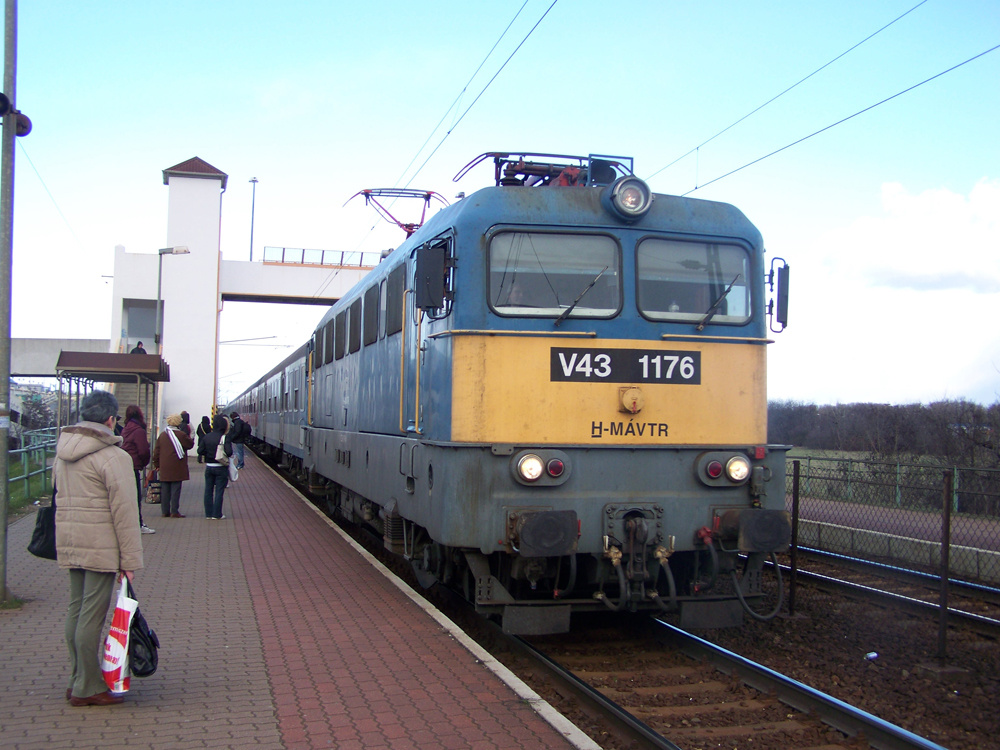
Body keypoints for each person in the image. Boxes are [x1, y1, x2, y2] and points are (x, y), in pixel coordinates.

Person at [54, 389, 143, 707]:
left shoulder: (63, 453)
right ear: (110, 420)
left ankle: (77, 677)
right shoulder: (114, 457)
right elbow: (125, 513)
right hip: (101, 547)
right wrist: (130, 560)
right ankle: (88, 687)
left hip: (70, 542)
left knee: (76, 611)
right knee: (91, 616)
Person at [120, 404, 154, 534]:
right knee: (136, 497)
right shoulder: (139, 431)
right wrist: (143, 463)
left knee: (128, 497)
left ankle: (129, 523)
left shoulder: (126, 429)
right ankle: (138, 524)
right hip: (134, 465)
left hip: (125, 464)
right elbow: (143, 450)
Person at [152, 414, 195, 518]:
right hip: (177, 466)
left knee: (165, 489)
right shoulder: (181, 435)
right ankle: (174, 511)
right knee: (175, 489)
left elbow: (156, 451)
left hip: (164, 466)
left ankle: (165, 511)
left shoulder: (163, 435)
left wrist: (157, 464)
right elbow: (190, 444)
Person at [198, 414, 233, 519]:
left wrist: (208, 454)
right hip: (220, 467)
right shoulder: (224, 437)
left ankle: (208, 514)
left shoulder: (207, 436)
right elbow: (229, 452)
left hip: (209, 467)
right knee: (219, 491)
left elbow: (199, 451)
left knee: (208, 490)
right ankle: (217, 514)